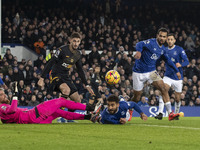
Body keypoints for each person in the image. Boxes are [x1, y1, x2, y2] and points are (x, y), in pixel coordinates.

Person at [131, 28, 181, 121]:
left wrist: (176, 70)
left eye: (164, 37)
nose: (162, 38)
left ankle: (170, 113)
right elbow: (139, 44)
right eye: (160, 36)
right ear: (157, 35)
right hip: (139, 72)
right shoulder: (151, 42)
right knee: (137, 96)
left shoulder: (162, 49)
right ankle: (129, 110)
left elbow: (168, 61)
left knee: (163, 88)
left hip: (151, 72)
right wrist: (138, 51)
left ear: (166, 38)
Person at [38, 32, 94, 102]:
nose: (76, 44)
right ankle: (59, 110)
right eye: (74, 41)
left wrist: (86, 85)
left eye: (78, 41)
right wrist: (42, 78)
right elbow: (51, 62)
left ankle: (66, 112)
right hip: (55, 75)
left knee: (77, 101)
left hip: (65, 77)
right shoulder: (62, 50)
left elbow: (80, 70)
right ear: (70, 40)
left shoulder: (77, 54)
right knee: (66, 90)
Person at [0, 88, 97, 124]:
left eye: (3, 93)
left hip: (34, 120)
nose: (4, 95)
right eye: (1, 95)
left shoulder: (3, 110)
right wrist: (15, 95)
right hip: (33, 114)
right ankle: (90, 107)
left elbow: (11, 115)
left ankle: (89, 117)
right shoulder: (1, 107)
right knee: (61, 101)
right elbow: (12, 110)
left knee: (61, 112)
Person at [155, 33, 189, 120]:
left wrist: (180, 64)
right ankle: (160, 113)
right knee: (163, 90)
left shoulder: (179, 49)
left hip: (178, 78)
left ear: (174, 40)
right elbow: (158, 59)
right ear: (167, 40)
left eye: (171, 39)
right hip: (168, 76)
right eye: (168, 39)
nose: (170, 41)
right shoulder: (164, 50)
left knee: (177, 99)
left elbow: (187, 62)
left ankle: (176, 113)